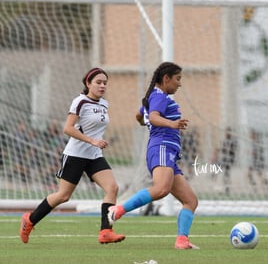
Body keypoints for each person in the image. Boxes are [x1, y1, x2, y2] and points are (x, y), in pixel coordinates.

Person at [19, 68, 125, 244]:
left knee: (112, 188)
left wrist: (97, 142)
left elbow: (94, 128)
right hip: (75, 154)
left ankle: (105, 231)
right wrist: (91, 140)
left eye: (105, 83)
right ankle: (29, 220)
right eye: (98, 82)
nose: (102, 85)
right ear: (88, 83)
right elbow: (67, 128)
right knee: (63, 196)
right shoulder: (80, 101)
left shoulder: (104, 104)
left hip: (94, 155)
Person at [107, 62, 199, 249]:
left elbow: (140, 116)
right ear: (166, 79)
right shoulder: (160, 96)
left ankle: (182, 241)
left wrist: (146, 121)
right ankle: (117, 210)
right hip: (162, 147)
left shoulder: (154, 96)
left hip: (168, 152)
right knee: (161, 189)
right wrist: (171, 124)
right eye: (177, 79)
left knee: (190, 201)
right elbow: (155, 116)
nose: (179, 84)